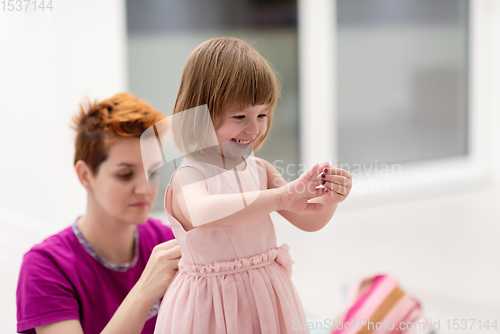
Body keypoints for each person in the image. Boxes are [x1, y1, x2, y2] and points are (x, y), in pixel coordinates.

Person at [153, 37, 352, 333]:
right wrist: (282, 197)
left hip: (267, 294)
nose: (254, 128)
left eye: (262, 114)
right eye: (239, 117)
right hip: (210, 305)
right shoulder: (190, 176)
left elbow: (309, 219)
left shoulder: (261, 170)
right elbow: (202, 211)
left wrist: (331, 197)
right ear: (199, 113)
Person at [16, 93, 182, 334]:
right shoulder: (46, 267)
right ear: (85, 175)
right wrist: (145, 291)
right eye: (125, 175)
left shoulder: (169, 241)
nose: (146, 188)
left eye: (153, 171)